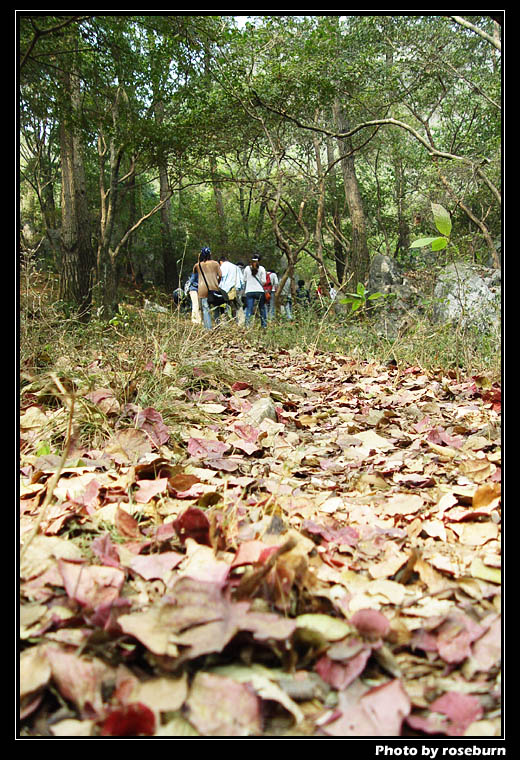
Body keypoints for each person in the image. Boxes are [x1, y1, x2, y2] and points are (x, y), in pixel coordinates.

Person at [193, 247, 222, 330]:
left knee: (206, 310)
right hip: (214, 288)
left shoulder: (198, 265)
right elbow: (220, 275)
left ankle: (208, 329)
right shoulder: (215, 264)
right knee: (216, 308)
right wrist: (217, 281)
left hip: (202, 290)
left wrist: (199, 259)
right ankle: (217, 326)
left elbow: (194, 272)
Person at [243, 254, 268, 328]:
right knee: (262, 308)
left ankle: (247, 325)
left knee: (249, 308)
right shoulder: (262, 269)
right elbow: (264, 281)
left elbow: (244, 279)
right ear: (259, 261)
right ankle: (264, 325)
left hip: (249, 291)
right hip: (259, 291)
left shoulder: (247, 268)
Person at [218, 254, 245, 323]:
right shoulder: (236, 267)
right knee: (238, 306)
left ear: (221, 262)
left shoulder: (223, 266)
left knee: (224, 307)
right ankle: (241, 322)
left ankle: (225, 322)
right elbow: (242, 280)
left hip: (225, 290)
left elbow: (220, 277)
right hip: (236, 289)